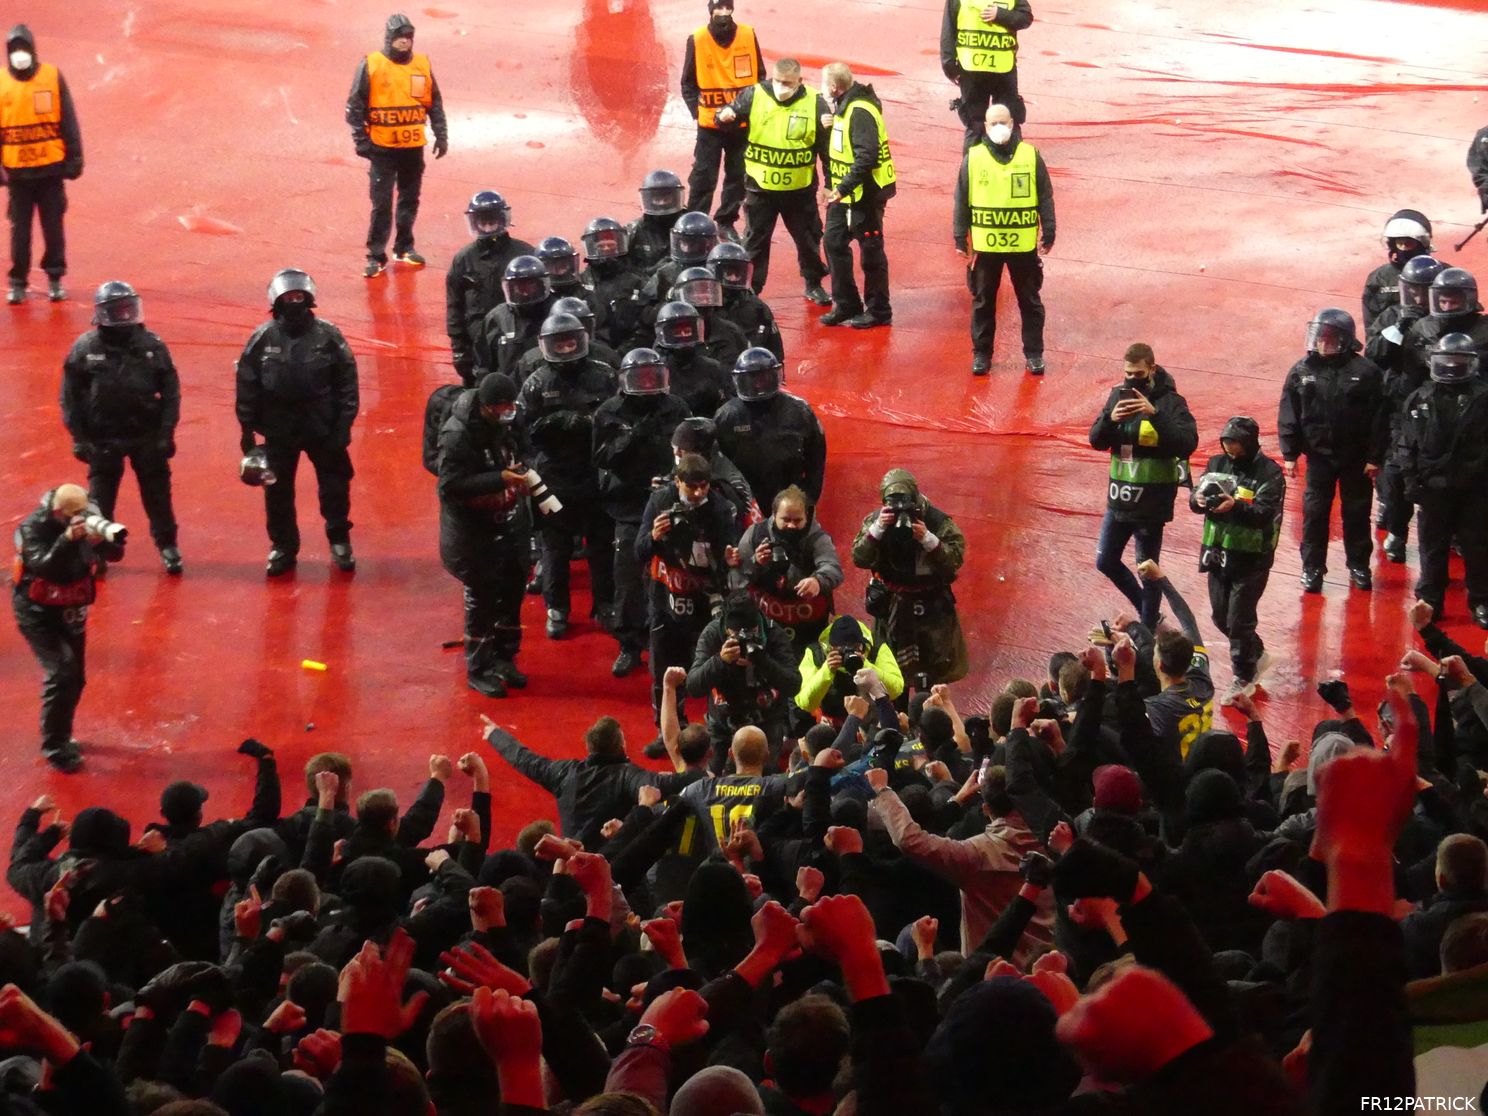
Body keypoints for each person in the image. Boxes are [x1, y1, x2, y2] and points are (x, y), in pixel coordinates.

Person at [235, 269, 359, 577]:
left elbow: (347, 381)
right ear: (276, 302)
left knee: (334, 487)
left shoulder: (328, 335)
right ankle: (283, 547)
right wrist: (246, 427)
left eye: (299, 296)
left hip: (323, 426)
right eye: (288, 298)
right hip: (279, 429)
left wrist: (344, 425)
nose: (294, 302)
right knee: (276, 492)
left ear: (310, 299)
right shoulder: (262, 338)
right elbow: (247, 381)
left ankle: (339, 540)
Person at [60, 281, 183, 575]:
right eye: (118, 311)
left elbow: (171, 392)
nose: (125, 316)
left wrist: (166, 433)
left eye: (129, 309)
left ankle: (167, 545)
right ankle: (98, 551)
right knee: (100, 499)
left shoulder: (152, 345)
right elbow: (70, 397)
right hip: (104, 438)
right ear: (103, 314)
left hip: (146, 435)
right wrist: (79, 438)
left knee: (158, 496)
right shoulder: (85, 348)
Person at [516, 311, 618, 639]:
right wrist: (550, 425)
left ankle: (604, 604)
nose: (564, 350)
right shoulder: (535, 383)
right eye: (557, 344)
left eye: (570, 342)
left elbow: (619, 418)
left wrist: (590, 422)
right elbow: (520, 432)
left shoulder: (604, 376)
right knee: (555, 547)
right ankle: (556, 608)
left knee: (601, 545)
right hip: (554, 480)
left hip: (594, 476)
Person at [436, 373, 538, 698]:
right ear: (487, 406)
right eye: (503, 406)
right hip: (473, 534)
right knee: (480, 600)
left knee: (512, 592)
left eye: (512, 405)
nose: (509, 410)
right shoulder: (457, 436)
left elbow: (526, 448)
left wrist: (523, 470)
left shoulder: (507, 422)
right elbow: (450, 486)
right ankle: (479, 668)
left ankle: (505, 658)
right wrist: (499, 478)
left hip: (510, 523)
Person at [593, 350, 692, 679]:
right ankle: (629, 644)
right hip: (630, 506)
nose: (648, 384)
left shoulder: (675, 407)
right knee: (628, 579)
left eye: (654, 376)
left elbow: (689, 450)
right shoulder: (609, 413)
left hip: (669, 503)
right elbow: (601, 457)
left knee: (677, 574)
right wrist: (631, 438)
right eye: (641, 378)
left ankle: (676, 639)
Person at [12, 484, 124, 772]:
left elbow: (114, 555)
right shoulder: (32, 527)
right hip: (37, 612)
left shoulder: (89, 515)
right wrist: (67, 539)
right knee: (62, 673)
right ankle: (55, 746)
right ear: (58, 511)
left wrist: (102, 542)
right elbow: (45, 567)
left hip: (72, 609)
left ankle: (62, 732)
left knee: (76, 678)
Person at [1277, 308, 1388, 594]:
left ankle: (1358, 565)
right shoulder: (1302, 371)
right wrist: (1289, 453)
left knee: (1357, 513)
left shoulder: (1366, 373)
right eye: (1319, 338)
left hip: (1356, 460)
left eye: (1329, 339)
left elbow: (1380, 418)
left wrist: (1375, 457)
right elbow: (1289, 412)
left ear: (1345, 340)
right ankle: (1312, 568)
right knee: (1314, 514)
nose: (1323, 344)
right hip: (1319, 458)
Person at [1088, 343, 1197, 629]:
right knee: (1106, 561)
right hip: (1119, 499)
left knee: (1147, 568)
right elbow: (1096, 440)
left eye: (1138, 373)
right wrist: (1110, 420)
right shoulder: (1117, 397)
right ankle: (1148, 613)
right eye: (1127, 373)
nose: (1131, 378)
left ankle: (1148, 629)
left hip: (1151, 503)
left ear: (1152, 369)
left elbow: (1187, 444)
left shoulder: (1172, 403)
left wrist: (1154, 414)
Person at [636, 453, 738, 744]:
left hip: (706, 602)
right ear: (677, 481)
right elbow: (639, 550)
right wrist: (654, 537)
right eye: (691, 486)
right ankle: (667, 730)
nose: (698, 492)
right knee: (664, 669)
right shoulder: (660, 502)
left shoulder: (720, 509)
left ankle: (717, 728)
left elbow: (730, 553)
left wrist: (731, 557)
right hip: (665, 600)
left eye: (703, 486)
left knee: (715, 665)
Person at [481, 715, 698, 848]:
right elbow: (664, 786)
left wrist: (495, 734)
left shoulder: (564, 773)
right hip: (611, 860)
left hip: (571, 857)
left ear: (590, 747)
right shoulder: (627, 775)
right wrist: (705, 776)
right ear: (621, 745)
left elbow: (525, 759)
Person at [715, 59, 831, 304]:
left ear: (799, 81)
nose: (781, 87)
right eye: (777, 81)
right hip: (760, 189)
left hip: (799, 191)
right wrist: (723, 117)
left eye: (787, 83)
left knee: (808, 240)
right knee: (755, 242)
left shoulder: (815, 102)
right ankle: (751, 290)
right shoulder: (755, 95)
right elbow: (726, 118)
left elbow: (826, 149)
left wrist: (830, 183)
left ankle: (813, 283)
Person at [954, 102, 1054, 376]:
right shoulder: (973, 158)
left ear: (1013, 123)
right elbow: (961, 199)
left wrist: (1049, 228)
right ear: (986, 127)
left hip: (1022, 246)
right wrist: (959, 236)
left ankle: (1034, 354)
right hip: (987, 247)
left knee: (1030, 301)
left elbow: (1044, 195)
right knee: (984, 301)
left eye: (1004, 122)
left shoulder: (1030, 156)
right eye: (993, 123)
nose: (1000, 127)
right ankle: (982, 355)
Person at [1190, 417, 1286, 701]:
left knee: (1239, 620)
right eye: (1226, 442)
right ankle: (1256, 653)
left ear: (1250, 443)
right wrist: (1197, 500)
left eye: (1236, 443)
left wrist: (1236, 507)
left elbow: (1264, 513)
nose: (1230, 448)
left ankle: (1243, 676)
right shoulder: (1216, 464)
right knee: (1221, 616)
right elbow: (1196, 496)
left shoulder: (1270, 473)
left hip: (1252, 557)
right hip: (1218, 552)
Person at [1396, 333, 1488, 627]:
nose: (1450, 368)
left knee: (1477, 546)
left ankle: (1481, 600)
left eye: (1457, 363)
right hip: (1433, 489)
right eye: (1445, 362)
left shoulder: (1484, 398)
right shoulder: (1419, 398)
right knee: (1431, 547)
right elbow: (1406, 443)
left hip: (1475, 489)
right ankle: (1431, 599)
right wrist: (1410, 480)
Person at [345, 13, 447, 278]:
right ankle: (375, 255)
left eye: (408, 39)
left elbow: (433, 103)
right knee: (381, 204)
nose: (404, 43)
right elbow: (354, 106)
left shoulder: (422, 65)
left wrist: (441, 134)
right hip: (382, 149)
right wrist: (362, 141)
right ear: (390, 39)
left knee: (409, 200)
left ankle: (403, 247)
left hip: (413, 148)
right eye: (400, 39)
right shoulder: (371, 64)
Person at [851, 468, 967, 685]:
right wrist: (876, 531)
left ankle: (927, 713)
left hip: (931, 612)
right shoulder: (876, 521)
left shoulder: (937, 522)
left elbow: (954, 562)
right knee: (890, 672)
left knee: (932, 671)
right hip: (892, 610)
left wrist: (928, 540)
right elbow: (859, 558)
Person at [1369, 255, 1444, 564]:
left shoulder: (1445, 320)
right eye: (1410, 289)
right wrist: (1399, 328)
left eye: (1422, 290)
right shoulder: (1391, 317)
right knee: (1399, 475)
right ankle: (1398, 532)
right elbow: (1375, 356)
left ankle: (1448, 534)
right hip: (1400, 409)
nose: (1415, 296)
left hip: (1437, 411)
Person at [2, 24, 82, 304]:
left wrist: (74, 158)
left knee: (53, 229)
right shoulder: (1, 84)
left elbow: (67, 120)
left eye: (23, 49)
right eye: (14, 50)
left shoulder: (51, 77)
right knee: (19, 232)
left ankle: (55, 276)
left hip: (50, 172)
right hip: (18, 177)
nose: (19, 55)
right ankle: (18, 281)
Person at [819, 62, 896, 329]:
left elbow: (866, 157)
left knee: (871, 253)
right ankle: (847, 303)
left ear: (833, 87)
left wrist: (841, 188)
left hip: (865, 195)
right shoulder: (844, 108)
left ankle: (879, 310)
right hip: (846, 195)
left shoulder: (859, 111)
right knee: (833, 242)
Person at [686, 592, 802, 767]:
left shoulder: (773, 633)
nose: (744, 637)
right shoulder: (712, 634)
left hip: (766, 720)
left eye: (752, 631)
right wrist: (720, 661)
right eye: (736, 633)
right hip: (723, 722)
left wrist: (762, 660)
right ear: (726, 628)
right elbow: (693, 686)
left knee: (765, 778)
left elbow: (794, 684)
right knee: (714, 777)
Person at [681, 0, 763, 239]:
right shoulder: (696, 39)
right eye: (718, 9)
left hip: (742, 124)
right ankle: (695, 222)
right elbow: (688, 83)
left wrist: (749, 110)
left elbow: (759, 77)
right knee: (703, 176)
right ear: (710, 11)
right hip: (710, 126)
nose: (723, 14)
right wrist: (698, 113)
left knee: (738, 176)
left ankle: (726, 220)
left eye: (727, 8)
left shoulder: (748, 35)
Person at [731, 484, 843, 651]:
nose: (791, 525)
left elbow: (833, 568)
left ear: (807, 516)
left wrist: (818, 581)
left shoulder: (817, 538)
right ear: (774, 515)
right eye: (786, 520)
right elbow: (736, 579)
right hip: (764, 626)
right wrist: (756, 563)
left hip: (810, 629)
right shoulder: (755, 535)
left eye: (797, 520)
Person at [715, 348, 827, 504]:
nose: (759, 384)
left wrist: (807, 497)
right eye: (753, 378)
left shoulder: (800, 411)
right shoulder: (727, 416)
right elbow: (717, 460)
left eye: (764, 377)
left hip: (790, 499)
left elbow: (816, 458)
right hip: (747, 500)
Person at [446, 191, 535, 386]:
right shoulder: (463, 259)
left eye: (492, 220)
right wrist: (459, 350)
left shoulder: (526, 255)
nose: (488, 226)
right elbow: (455, 307)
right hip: (478, 344)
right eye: (482, 221)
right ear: (474, 222)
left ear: (503, 219)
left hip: (518, 341)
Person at [939, 0, 1032, 143]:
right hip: (971, 71)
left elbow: (1025, 17)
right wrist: (949, 65)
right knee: (975, 124)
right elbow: (949, 28)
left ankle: (1010, 161)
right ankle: (973, 164)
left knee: (1007, 121)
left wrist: (1000, 14)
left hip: (1003, 69)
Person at [795, 614, 904, 724]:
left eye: (855, 647)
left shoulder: (876, 648)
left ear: (862, 643)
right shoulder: (816, 654)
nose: (849, 653)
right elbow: (805, 703)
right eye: (842, 649)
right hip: (835, 722)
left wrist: (867, 666)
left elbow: (896, 690)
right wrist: (827, 671)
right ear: (831, 647)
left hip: (873, 719)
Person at [475, 255, 555, 380]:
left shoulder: (556, 312)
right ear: (510, 287)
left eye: (530, 284)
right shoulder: (496, 317)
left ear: (541, 285)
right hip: (507, 393)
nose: (525, 291)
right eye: (519, 286)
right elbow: (483, 365)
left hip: (547, 388)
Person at [654, 300, 733, 417]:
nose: (683, 336)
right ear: (665, 334)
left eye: (687, 331)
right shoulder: (658, 373)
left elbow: (731, 406)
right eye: (677, 332)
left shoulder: (714, 368)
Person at [708, 241, 784, 358]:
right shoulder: (704, 308)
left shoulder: (758, 308)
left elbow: (775, 354)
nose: (733, 279)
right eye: (728, 273)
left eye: (737, 274)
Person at [1361, 209, 1431, 335]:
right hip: (1393, 345)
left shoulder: (1443, 275)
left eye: (1409, 243)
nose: (1404, 248)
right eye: (1400, 243)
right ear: (1393, 245)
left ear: (1421, 244)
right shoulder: (1378, 279)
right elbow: (1371, 330)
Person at [581, 216, 647, 347]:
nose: (606, 249)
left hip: (632, 347)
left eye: (610, 245)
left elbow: (645, 325)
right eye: (601, 246)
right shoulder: (580, 282)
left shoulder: (637, 281)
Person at [670, 266, 749, 368]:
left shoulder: (732, 332)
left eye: (706, 291)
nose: (702, 298)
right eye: (695, 293)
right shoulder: (670, 335)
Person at [626, 169, 688, 271]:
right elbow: (618, 270)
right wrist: (653, 271)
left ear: (676, 198)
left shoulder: (691, 227)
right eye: (657, 200)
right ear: (648, 200)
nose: (662, 204)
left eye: (666, 199)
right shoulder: (634, 230)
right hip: (643, 284)